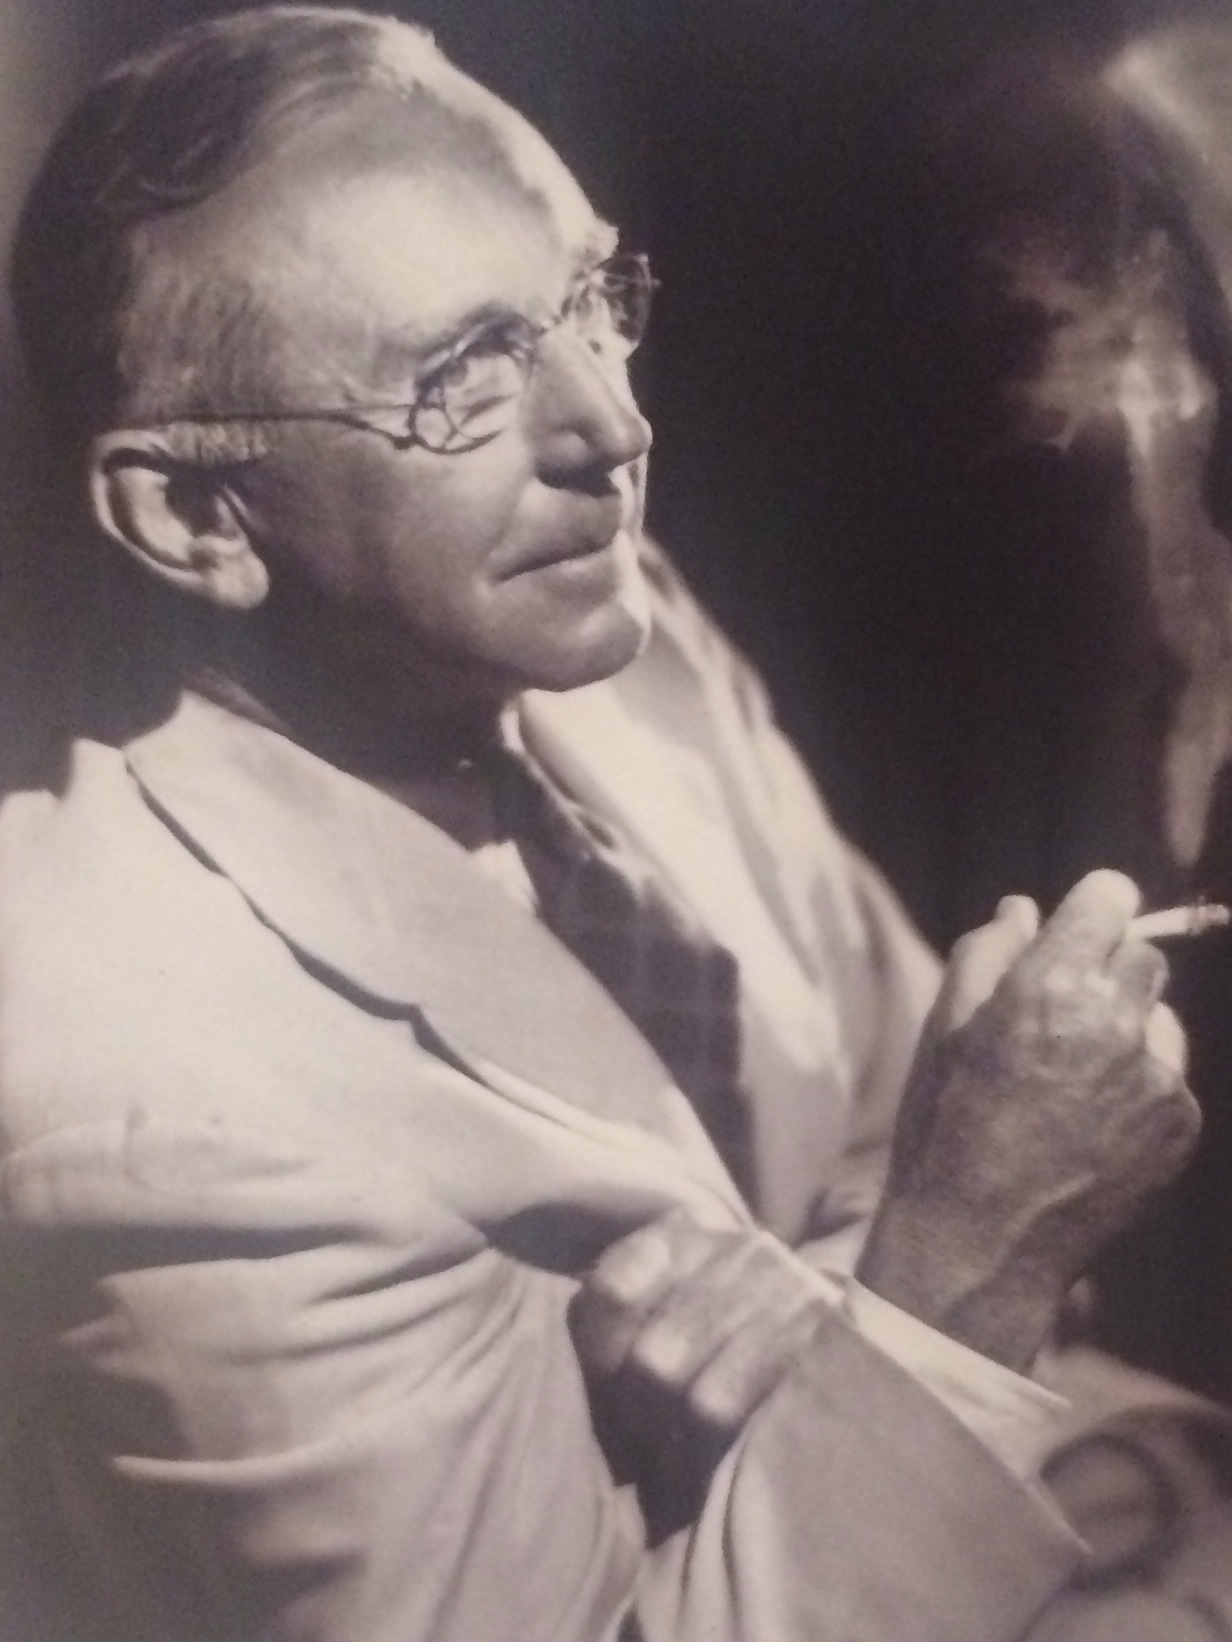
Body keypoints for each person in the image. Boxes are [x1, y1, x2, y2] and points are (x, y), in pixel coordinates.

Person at [0, 8, 1201, 1641]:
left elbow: (890, 1106)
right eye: (459, 378)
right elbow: (965, 1202)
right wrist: (954, 1268)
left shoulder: (602, 633)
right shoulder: (146, 1096)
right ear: (195, 515)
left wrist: (834, 1316)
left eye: (586, 302)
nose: (611, 431)